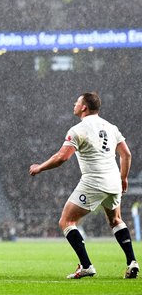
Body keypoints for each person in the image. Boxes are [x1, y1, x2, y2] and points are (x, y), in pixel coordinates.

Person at [29, 92, 139, 279]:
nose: (74, 104)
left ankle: (87, 266)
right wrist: (123, 178)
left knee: (66, 221)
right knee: (116, 220)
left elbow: (62, 157)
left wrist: (40, 167)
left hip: (94, 181)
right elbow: (126, 154)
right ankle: (132, 262)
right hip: (113, 181)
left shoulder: (78, 130)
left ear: (84, 107)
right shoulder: (111, 127)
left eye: (77, 102)